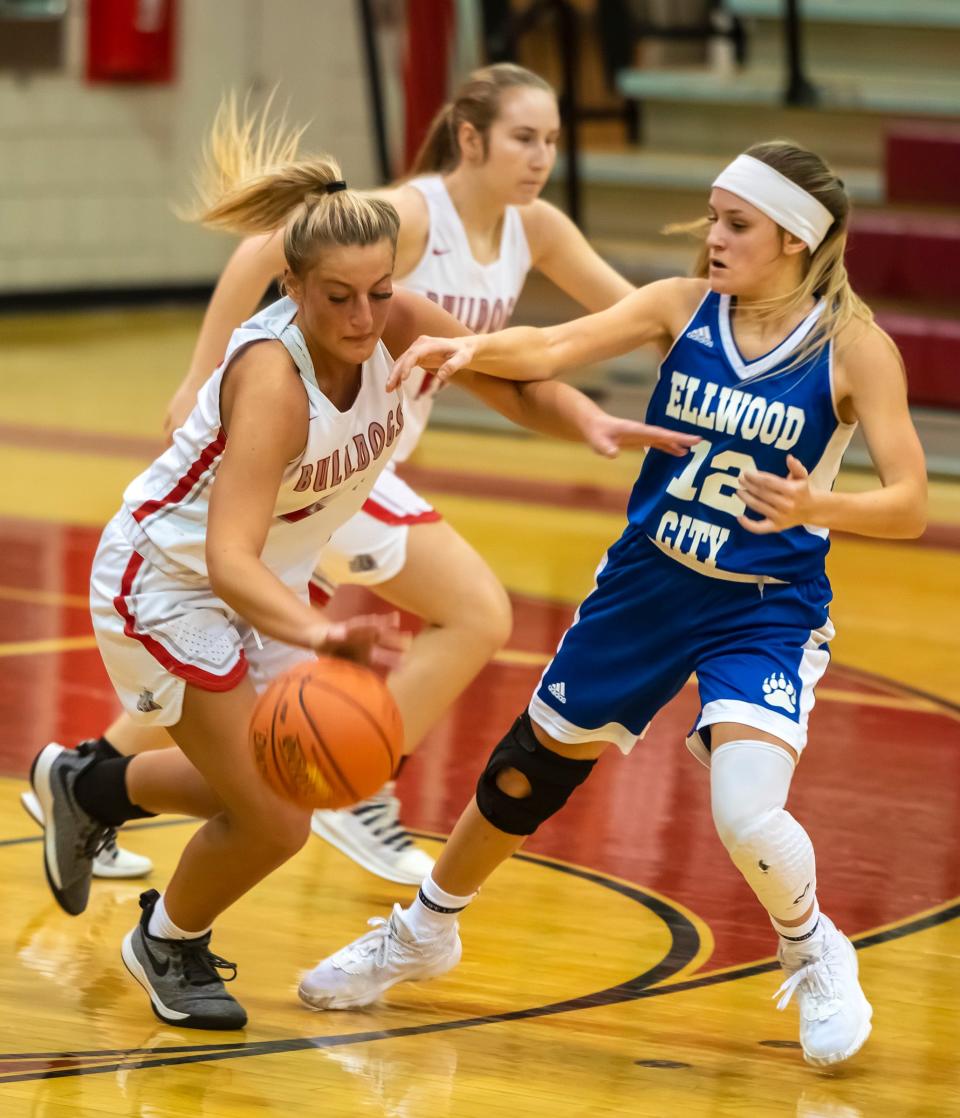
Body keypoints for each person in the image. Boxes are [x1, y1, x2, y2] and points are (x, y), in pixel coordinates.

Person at [29, 112, 696, 1030]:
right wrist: (318, 632)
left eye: (378, 293)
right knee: (275, 819)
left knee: (289, 784)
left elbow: (509, 381)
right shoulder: (272, 377)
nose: (361, 319)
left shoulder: (399, 320)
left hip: (264, 576)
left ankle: (88, 785)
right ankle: (166, 942)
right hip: (164, 582)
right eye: (337, 298)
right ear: (292, 286)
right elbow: (225, 556)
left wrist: (588, 422)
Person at [297, 140, 928, 1068]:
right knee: (527, 770)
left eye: (735, 223)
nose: (713, 236)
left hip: (763, 604)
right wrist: (471, 347)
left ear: (795, 237)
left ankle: (813, 949)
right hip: (648, 582)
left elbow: (911, 500)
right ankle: (425, 931)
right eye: (713, 217)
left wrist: (819, 505)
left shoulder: (854, 348)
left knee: (747, 814)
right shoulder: (681, 308)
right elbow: (553, 345)